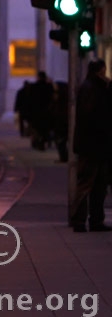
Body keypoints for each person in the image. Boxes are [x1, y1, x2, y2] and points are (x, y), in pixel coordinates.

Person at [70, 60, 110, 233]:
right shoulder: (94, 89)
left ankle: (95, 220)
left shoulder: (91, 87)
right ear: (100, 70)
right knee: (88, 184)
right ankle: (81, 220)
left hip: (95, 146)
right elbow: (94, 116)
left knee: (98, 186)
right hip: (93, 146)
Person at [29, 71, 55, 151]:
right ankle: (43, 142)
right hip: (46, 111)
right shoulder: (48, 86)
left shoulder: (34, 87)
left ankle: (39, 142)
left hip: (37, 112)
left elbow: (31, 100)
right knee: (44, 129)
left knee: (37, 129)